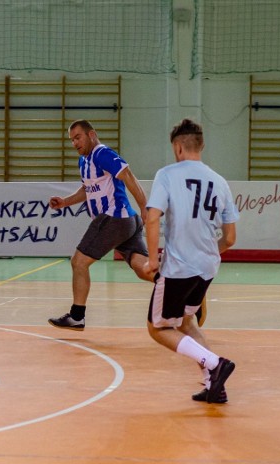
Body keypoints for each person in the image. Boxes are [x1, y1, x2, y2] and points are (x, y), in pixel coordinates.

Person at [143, 118, 239, 404]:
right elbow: (231, 238)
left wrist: (151, 260)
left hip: (179, 267)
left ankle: (214, 363)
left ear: (177, 147)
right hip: (207, 266)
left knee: (157, 328)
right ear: (201, 146)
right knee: (186, 322)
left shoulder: (167, 174)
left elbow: (152, 216)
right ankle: (215, 386)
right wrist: (208, 250)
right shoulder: (220, 182)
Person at [47, 119, 155, 331]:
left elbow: (129, 176)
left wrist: (145, 207)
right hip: (126, 221)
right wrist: (65, 202)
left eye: (78, 137)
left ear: (91, 134)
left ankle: (77, 316)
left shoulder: (102, 153)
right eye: (71, 140)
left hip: (113, 218)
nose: (74, 143)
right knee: (143, 269)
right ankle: (178, 285)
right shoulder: (84, 162)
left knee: (79, 262)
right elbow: (87, 190)